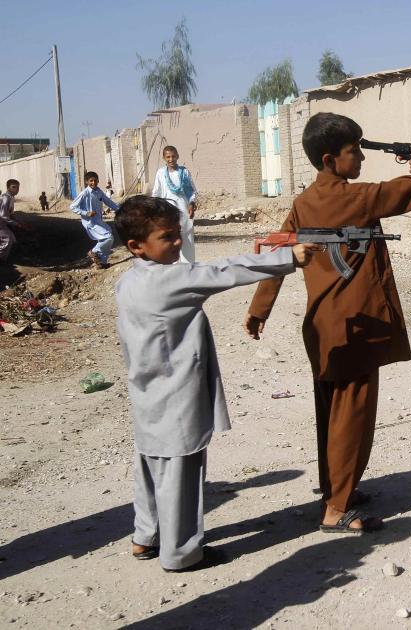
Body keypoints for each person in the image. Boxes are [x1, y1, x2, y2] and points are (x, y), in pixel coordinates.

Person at [243, 112, 411, 533]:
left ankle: (336, 489)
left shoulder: (303, 202)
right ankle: (337, 510)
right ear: (331, 159)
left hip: (323, 330)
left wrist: (260, 309)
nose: (361, 159)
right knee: (352, 416)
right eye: (354, 152)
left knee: (330, 414)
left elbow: (278, 254)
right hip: (354, 330)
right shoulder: (358, 198)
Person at [115, 195, 318, 571]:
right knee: (181, 472)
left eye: (178, 234)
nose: (177, 243)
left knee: (150, 465)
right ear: (136, 246)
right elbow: (224, 270)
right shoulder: (170, 280)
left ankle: (145, 537)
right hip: (176, 395)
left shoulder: (128, 281)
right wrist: (287, 258)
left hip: (147, 391)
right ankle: (181, 553)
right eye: (167, 237)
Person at [152, 145, 198, 263]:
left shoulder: (184, 172)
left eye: (173, 156)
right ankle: (175, 272)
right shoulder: (161, 173)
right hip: (167, 214)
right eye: (168, 157)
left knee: (187, 241)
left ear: (177, 156)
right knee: (171, 242)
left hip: (184, 212)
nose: (171, 159)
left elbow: (192, 192)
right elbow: (156, 193)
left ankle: (189, 270)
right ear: (164, 158)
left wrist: (192, 203)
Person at [70, 171, 119, 269]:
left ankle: (102, 262)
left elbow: (108, 201)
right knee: (108, 237)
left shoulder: (99, 192)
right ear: (87, 182)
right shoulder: (85, 193)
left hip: (99, 220)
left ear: (98, 181)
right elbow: (72, 206)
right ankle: (94, 252)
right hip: (90, 222)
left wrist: (119, 210)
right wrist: (86, 213)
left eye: (95, 180)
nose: (93, 182)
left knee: (109, 238)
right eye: (91, 181)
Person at [1, 179, 23, 263]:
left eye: (17, 187)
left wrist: (21, 222)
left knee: (13, 239)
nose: (16, 189)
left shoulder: (11, 198)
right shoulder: (6, 198)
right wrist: (16, 224)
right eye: (14, 187)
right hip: (1, 223)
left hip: (3, 223)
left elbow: (11, 214)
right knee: (8, 239)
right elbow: (3, 216)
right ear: (8, 188)